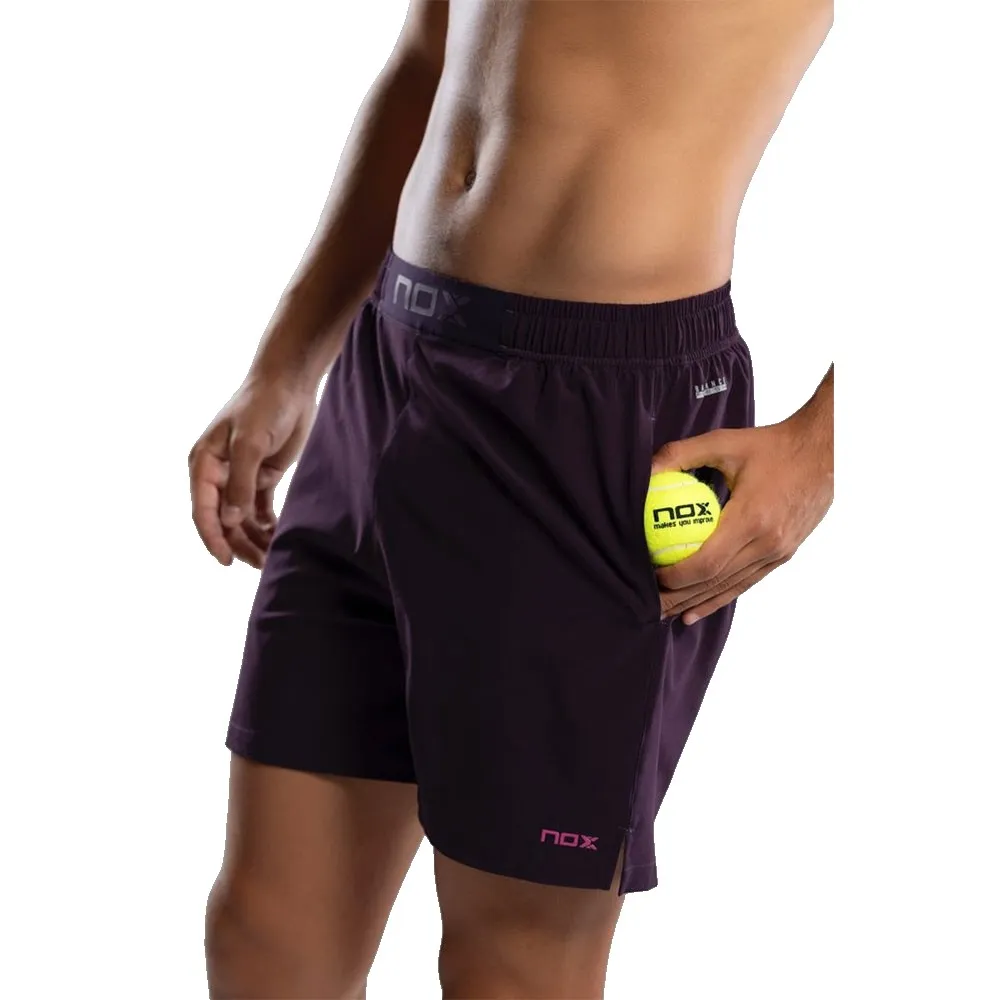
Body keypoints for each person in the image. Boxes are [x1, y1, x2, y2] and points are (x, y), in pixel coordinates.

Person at [189, 1, 834, 996]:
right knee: (265, 938)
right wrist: (288, 359)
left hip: (599, 421)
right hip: (391, 362)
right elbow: (430, 56)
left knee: (513, 964)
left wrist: (819, 450)